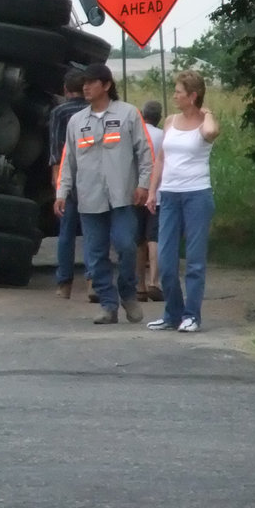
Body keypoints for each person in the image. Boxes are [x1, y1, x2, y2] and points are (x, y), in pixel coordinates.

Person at [55, 63, 152, 325]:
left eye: (91, 82)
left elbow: (145, 153)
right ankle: (108, 305)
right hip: (89, 198)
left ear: (106, 85)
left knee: (125, 245)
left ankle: (128, 293)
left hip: (123, 196)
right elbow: (68, 161)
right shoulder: (77, 122)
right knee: (95, 255)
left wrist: (144, 184)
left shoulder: (128, 114)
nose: (85, 87)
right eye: (83, 83)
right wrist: (61, 192)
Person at [146, 71, 220, 333]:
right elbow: (161, 159)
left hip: (197, 194)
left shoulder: (205, 123)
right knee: (166, 261)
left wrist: (207, 112)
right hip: (170, 193)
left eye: (179, 92)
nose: (175, 96)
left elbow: (211, 132)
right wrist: (153, 191)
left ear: (193, 95)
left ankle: (192, 315)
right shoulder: (170, 121)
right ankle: (172, 313)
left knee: (195, 260)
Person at [48, 69, 90, 300]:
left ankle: (64, 284)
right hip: (91, 178)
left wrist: (57, 182)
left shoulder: (59, 112)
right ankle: (93, 279)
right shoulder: (92, 111)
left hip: (67, 178)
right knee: (93, 230)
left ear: (65, 90)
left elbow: (55, 150)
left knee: (66, 233)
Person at [134, 100, 165, 302]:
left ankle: (140, 285)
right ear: (159, 117)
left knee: (138, 240)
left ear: (143, 114)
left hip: (137, 192)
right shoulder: (163, 136)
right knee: (154, 238)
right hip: (159, 193)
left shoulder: (136, 133)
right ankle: (155, 280)